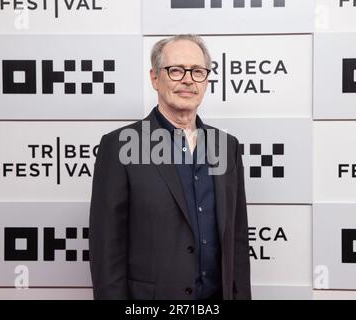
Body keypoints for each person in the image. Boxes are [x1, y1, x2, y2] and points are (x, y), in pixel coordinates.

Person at [89, 34, 251, 300]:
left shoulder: (226, 146)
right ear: (155, 78)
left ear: (206, 80)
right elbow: (106, 250)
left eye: (197, 71)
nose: (188, 79)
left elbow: (237, 240)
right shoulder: (119, 146)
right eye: (176, 70)